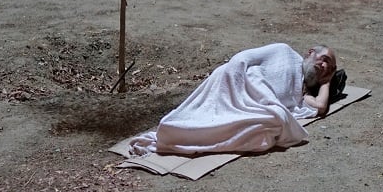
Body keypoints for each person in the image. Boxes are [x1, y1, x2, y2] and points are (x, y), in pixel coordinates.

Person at [128, 43, 339, 156]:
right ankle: (173, 131)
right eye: (324, 61)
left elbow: (320, 106)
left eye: (328, 69)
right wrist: (238, 80)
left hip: (257, 104)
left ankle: (182, 134)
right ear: (311, 52)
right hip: (238, 82)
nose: (324, 67)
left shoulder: (302, 95)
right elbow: (243, 59)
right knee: (274, 118)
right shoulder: (284, 52)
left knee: (275, 119)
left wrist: (326, 82)